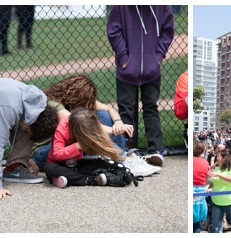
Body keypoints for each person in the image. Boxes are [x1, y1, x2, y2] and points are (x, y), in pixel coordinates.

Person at [34, 75, 155, 177]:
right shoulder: (53, 103)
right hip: (45, 151)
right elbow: (80, 125)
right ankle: (122, 158)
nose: (87, 106)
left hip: (68, 145)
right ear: (75, 97)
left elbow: (108, 108)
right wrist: (113, 130)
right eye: (84, 103)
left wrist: (118, 122)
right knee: (86, 131)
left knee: (103, 114)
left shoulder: (74, 100)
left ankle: (128, 155)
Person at [107, 5, 174, 164]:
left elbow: (167, 30)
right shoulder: (120, 6)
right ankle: (128, 150)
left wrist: (158, 56)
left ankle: (155, 150)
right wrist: (123, 57)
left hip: (152, 69)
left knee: (150, 106)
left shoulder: (162, 5)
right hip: (126, 70)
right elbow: (113, 30)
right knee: (126, 109)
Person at [45, 108, 129, 188]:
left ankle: (69, 179)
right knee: (49, 168)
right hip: (61, 164)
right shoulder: (62, 127)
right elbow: (56, 154)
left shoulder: (90, 123)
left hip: (79, 164)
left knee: (101, 162)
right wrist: (77, 146)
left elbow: (104, 145)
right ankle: (88, 179)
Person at [207, 149, 231, 233]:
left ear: (225, 158)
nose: (217, 158)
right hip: (217, 202)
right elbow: (214, 181)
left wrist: (218, 174)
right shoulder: (217, 168)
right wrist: (208, 186)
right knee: (215, 227)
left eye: (219, 156)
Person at [192, 141, 210, 233]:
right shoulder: (205, 163)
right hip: (200, 190)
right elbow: (206, 179)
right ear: (202, 151)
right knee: (196, 222)